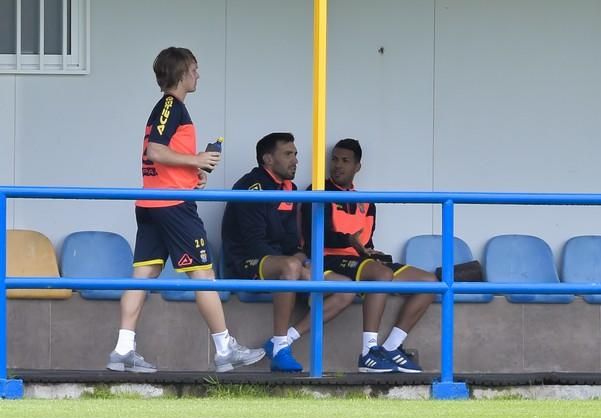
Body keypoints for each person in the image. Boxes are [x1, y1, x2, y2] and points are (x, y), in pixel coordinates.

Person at [107, 47, 265, 373]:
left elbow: (163, 155)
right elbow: (155, 150)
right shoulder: (170, 105)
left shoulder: (170, 109)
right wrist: (195, 160)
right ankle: (225, 350)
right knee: (203, 274)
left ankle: (123, 349)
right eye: (194, 68)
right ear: (182, 72)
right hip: (172, 206)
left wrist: (192, 174)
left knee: (143, 275)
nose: (198, 74)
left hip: (155, 202)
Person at [298, 138, 438, 373]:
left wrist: (370, 250)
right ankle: (368, 352)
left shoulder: (367, 202)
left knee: (430, 283)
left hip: (359, 260)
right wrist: (348, 241)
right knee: (381, 274)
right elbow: (313, 237)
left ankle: (392, 347)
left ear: (357, 167)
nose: (338, 165)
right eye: (334, 160)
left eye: (345, 161)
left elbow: (365, 240)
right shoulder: (317, 191)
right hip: (328, 259)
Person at [221, 132, 349, 372]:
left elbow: (293, 241)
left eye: (296, 154)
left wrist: (301, 261)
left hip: (284, 263)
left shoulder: (289, 188)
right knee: (290, 267)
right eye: (288, 154)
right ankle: (281, 346)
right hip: (245, 261)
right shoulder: (252, 187)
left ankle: (286, 339)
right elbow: (253, 243)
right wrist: (295, 267)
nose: (295, 161)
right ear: (268, 159)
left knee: (346, 288)